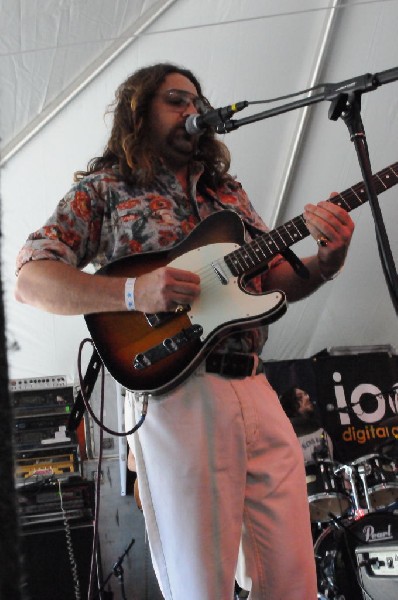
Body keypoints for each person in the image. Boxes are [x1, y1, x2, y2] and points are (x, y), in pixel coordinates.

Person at [15, 62, 355, 600]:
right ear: (139, 110)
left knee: (293, 579)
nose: (192, 110)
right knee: (201, 584)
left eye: (197, 102)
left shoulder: (230, 194)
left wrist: (326, 262)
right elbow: (31, 280)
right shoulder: (105, 189)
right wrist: (132, 293)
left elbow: (273, 281)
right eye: (176, 100)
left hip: (255, 386)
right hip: (176, 390)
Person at [278, 386, 333, 463]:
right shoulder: (285, 438)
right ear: (290, 405)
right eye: (299, 397)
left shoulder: (320, 430)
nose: (307, 397)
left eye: (306, 394)